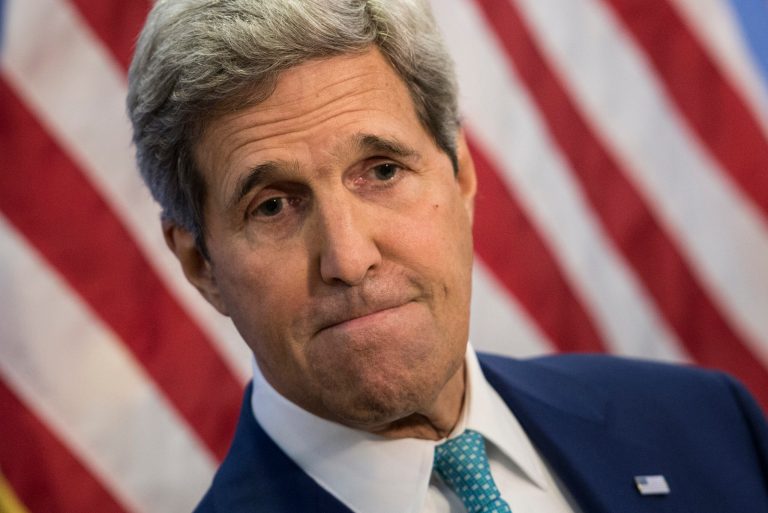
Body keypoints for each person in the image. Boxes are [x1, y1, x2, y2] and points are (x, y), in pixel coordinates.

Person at [126, 1, 768, 512]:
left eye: (382, 170)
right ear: (201, 265)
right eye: (271, 206)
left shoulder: (707, 426)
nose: (349, 258)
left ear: (460, 176)